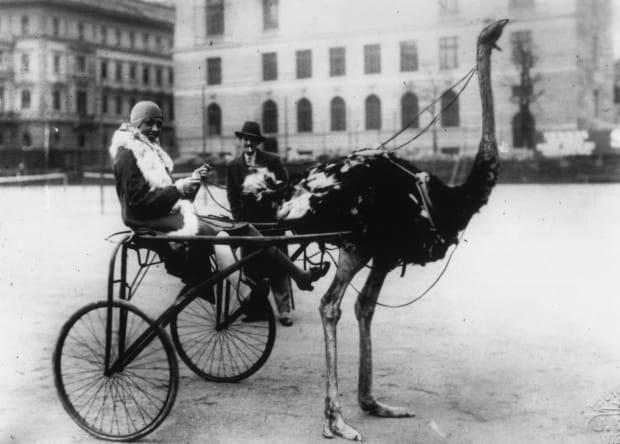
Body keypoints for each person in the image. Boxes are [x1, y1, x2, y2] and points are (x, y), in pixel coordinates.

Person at [109, 101, 329, 311]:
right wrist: (178, 188)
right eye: (149, 123)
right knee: (210, 233)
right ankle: (244, 293)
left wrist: (190, 182)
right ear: (136, 123)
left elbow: (166, 196)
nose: (156, 129)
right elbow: (138, 203)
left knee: (243, 228)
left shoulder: (150, 151)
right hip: (144, 220)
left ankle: (297, 274)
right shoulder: (128, 152)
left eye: (159, 123)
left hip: (166, 214)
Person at [226, 121, 295, 326]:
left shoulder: (272, 160)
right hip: (249, 224)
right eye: (245, 138)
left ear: (257, 142)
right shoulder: (233, 166)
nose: (248, 142)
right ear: (241, 141)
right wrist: (240, 221)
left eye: (252, 139)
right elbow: (231, 196)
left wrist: (274, 201)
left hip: (271, 221)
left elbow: (285, 188)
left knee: (279, 266)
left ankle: (284, 311)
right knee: (251, 268)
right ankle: (257, 310)